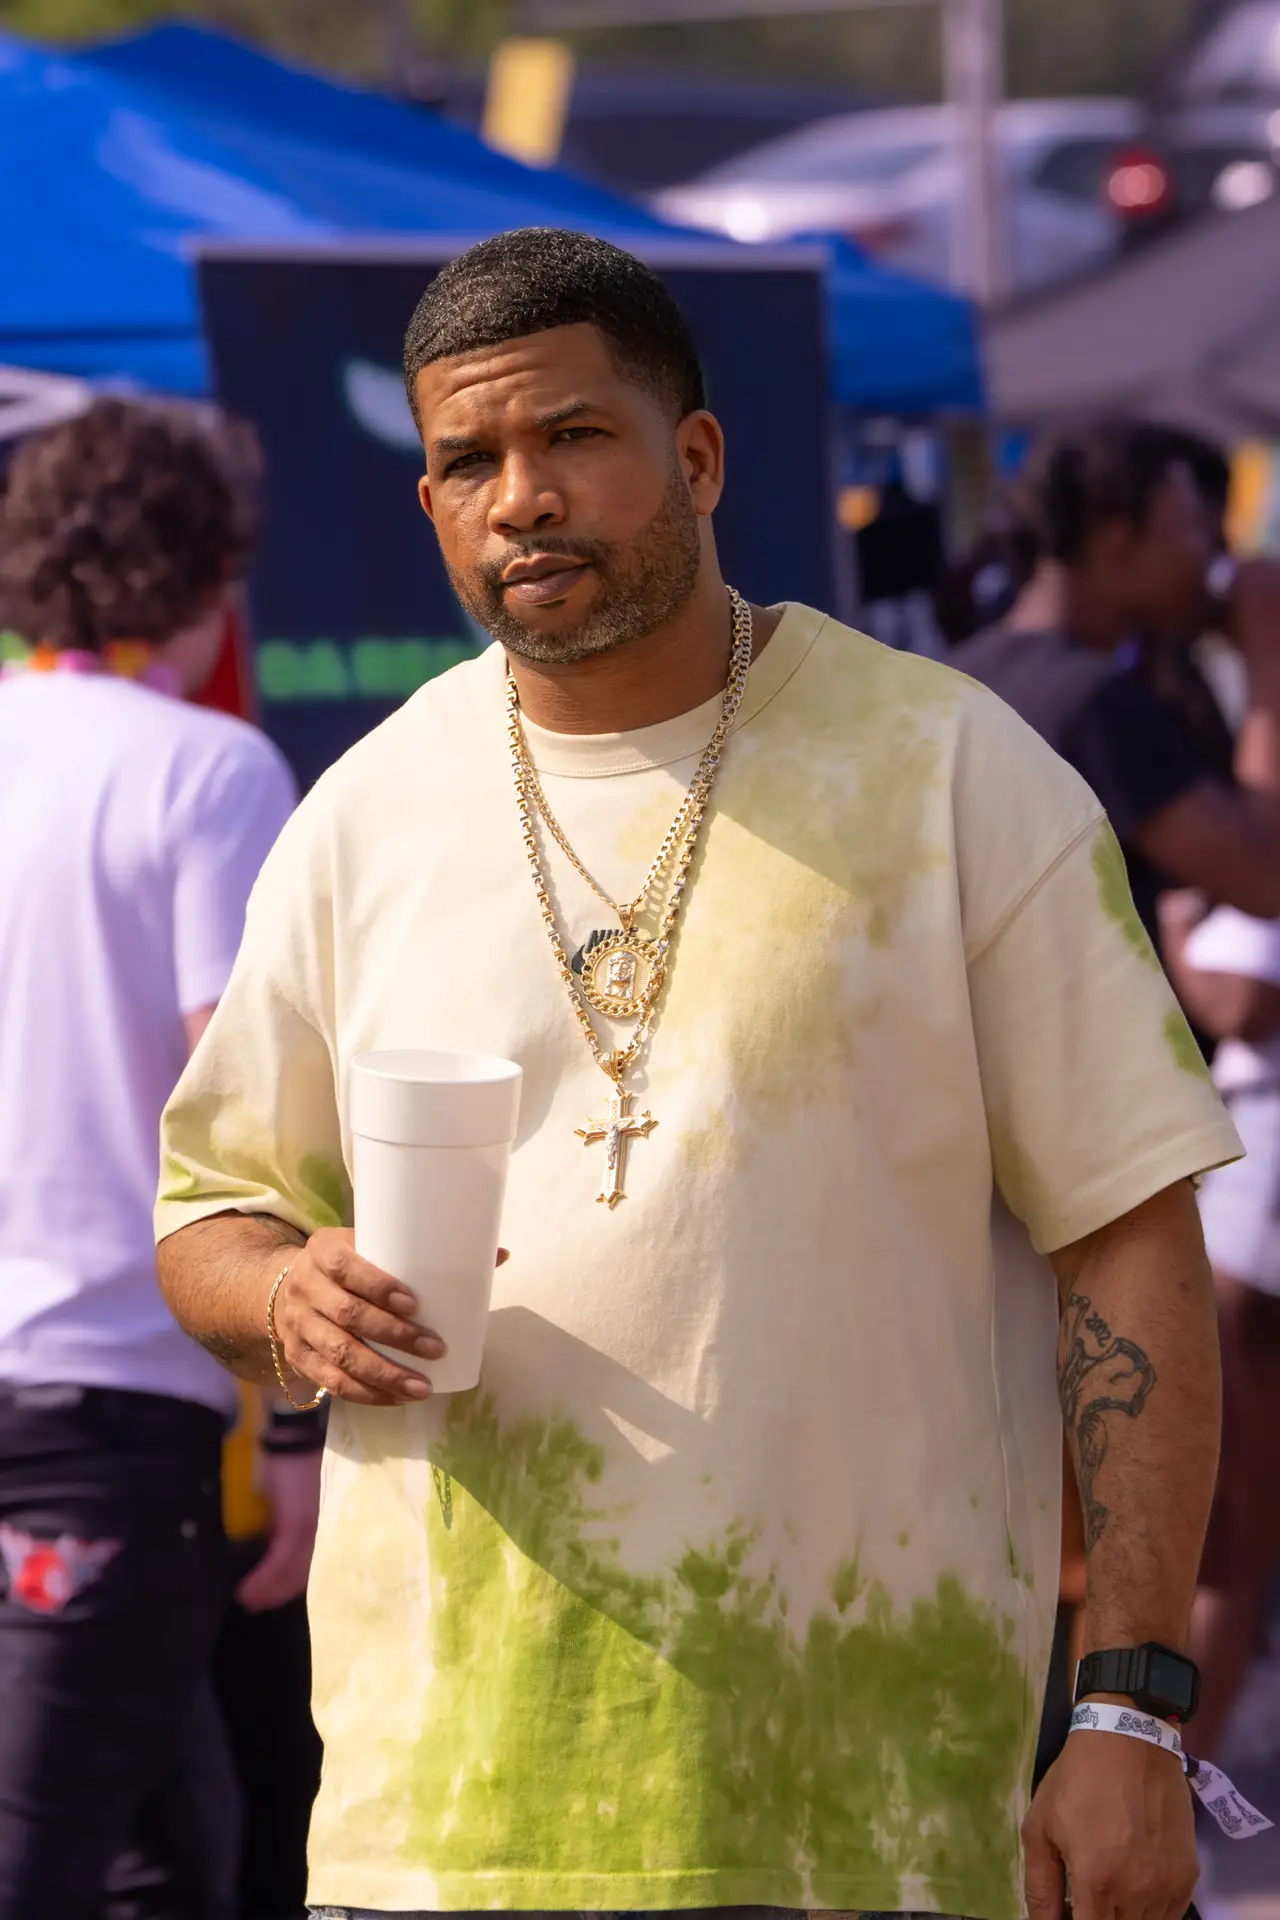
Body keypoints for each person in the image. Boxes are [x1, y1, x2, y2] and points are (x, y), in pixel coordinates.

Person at [156, 229, 1237, 1920]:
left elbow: (1133, 1243)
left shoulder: (953, 774)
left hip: (860, 1815)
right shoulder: (362, 816)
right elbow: (211, 1213)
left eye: (574, 436)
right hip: (437, 1829)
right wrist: (288, 1298)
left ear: (701, 456)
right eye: (469, 461)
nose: (523, 498)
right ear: (429, 503)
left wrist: (1130, 1709)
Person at [0, 399, 298, 1919]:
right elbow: (247, 1106)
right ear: (206, 573)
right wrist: (299, 1429)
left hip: (95, 1408)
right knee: (56, 1862)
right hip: (108, 1403)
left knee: (166, 1854)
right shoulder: (209, 771)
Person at [957, 419, 1280, 945]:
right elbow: (1264, 877)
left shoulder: (960, 675)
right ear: (1119, 539)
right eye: (1194, 527)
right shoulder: (1093, 701)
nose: (1212, 556)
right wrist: (1269, 650)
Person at [1160, 896, 1280, 1760]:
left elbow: (1241, 1002)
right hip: (1243, 1196)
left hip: (1254, 1211)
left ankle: (1179, 1775)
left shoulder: (1248, 864)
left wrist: (1171, 929)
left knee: (1222, 1520)